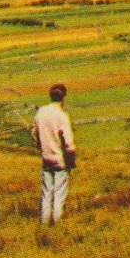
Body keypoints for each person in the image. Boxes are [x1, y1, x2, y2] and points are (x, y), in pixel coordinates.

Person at [30, 84, 76, 226]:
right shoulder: (62, 116)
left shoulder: (41, 112)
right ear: (63, 97)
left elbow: (34, 134)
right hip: (60, 160)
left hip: (46, 159)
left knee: (46, 193)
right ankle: (57, 224)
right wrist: (71, 161)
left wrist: (41, 147)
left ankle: (44, 224)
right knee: (59, 194)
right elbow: (68, 144)